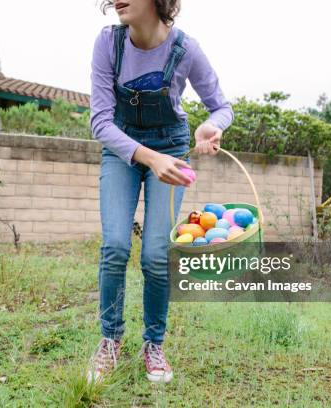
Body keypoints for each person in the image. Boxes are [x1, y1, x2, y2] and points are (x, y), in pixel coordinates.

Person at [88, 0, 234, 384]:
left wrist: (211, 127)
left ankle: (153, 343)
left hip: (171, 147)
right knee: (115, 245)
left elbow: (222, 108)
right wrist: (148, 158)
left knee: (155, 254)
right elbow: (101, 123)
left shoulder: (186, 50)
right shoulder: (108, 44)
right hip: (122, 149)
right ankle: (110, 341)